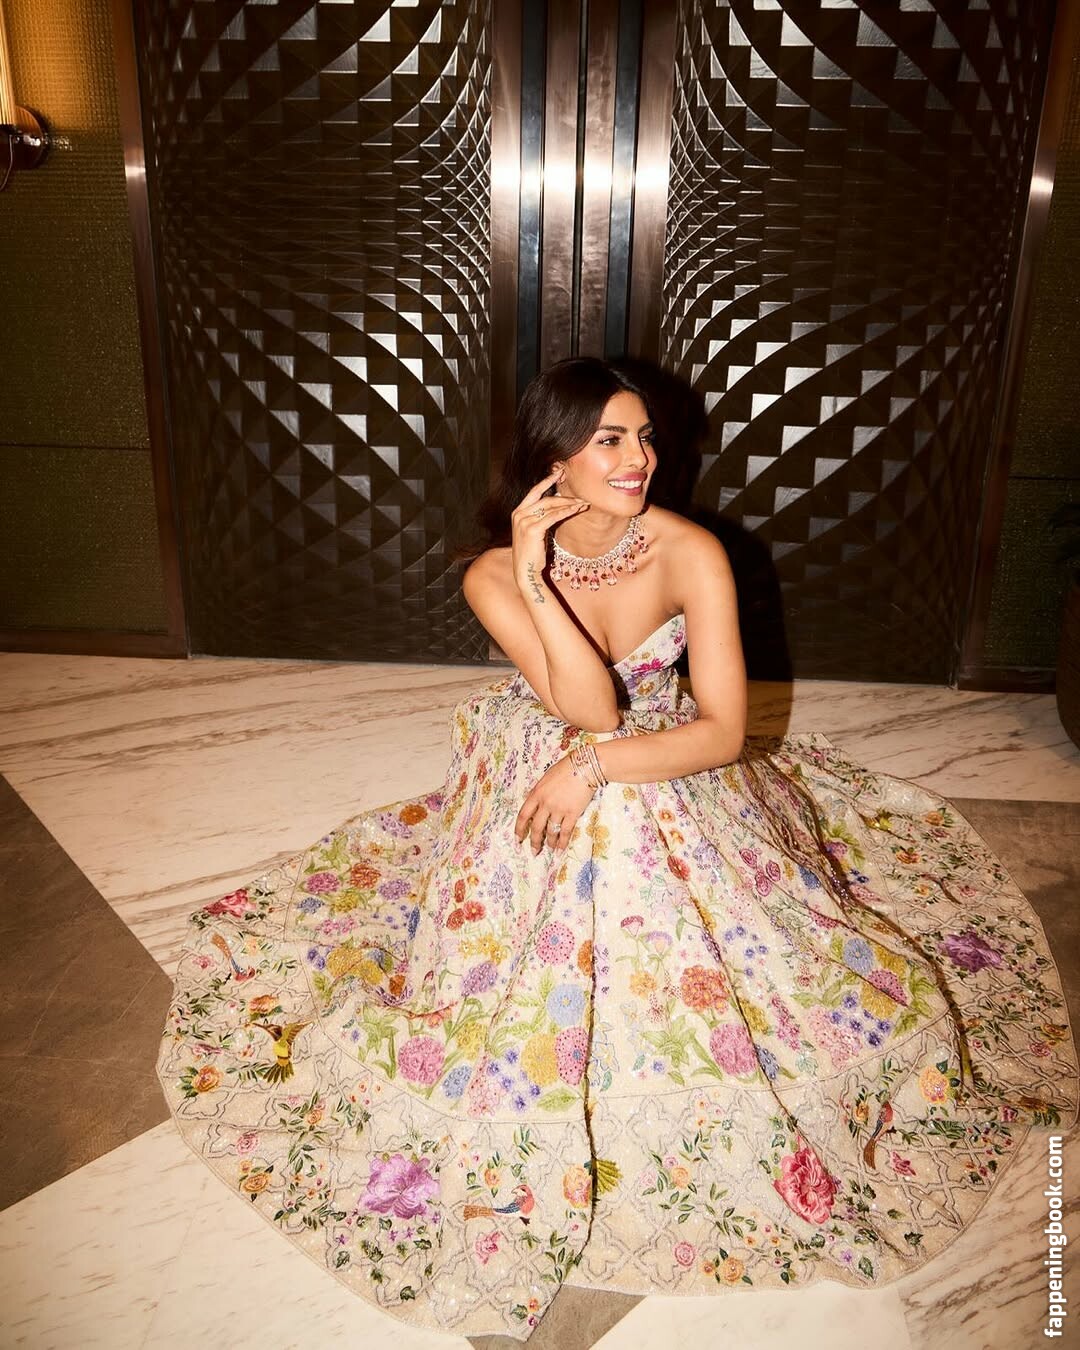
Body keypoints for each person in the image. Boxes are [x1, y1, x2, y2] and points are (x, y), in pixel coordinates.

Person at [159, 357, 1078, 1343]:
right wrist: (532, 577)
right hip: (541, 744)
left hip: (668, 754)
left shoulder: (690, 551)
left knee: (622, 818)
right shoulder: (491, 574)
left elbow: (721, 731)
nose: (639, 458)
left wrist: (595, 771)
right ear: (552, 459)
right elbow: (589, 706)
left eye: (643, 437)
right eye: (609, 440)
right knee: (577, 834)